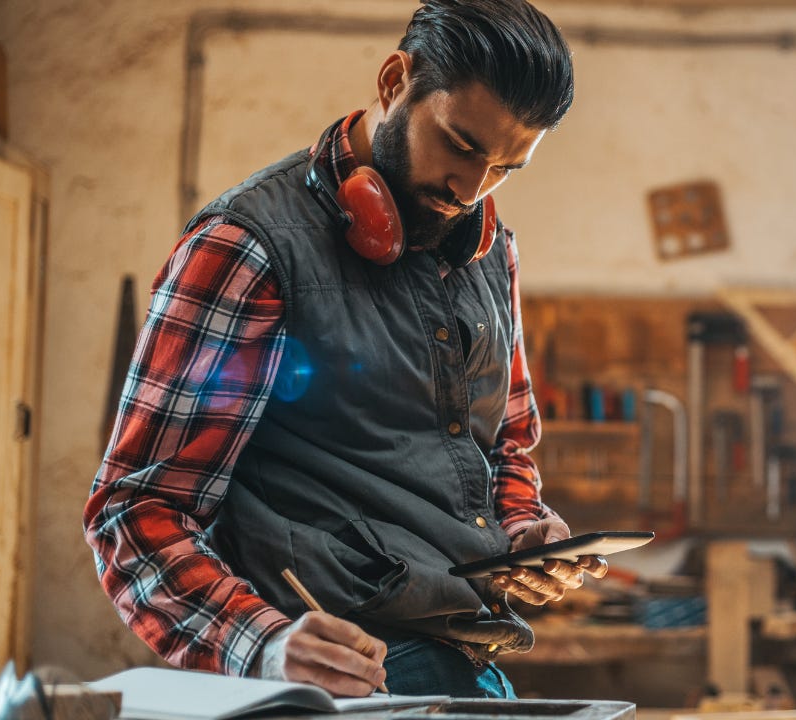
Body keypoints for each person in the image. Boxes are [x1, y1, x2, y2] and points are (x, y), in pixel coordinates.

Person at [83, 0, 605, 700]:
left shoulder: (489, 252)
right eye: (460, 145)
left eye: (508, 167)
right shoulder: (248, 250)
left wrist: (523, 532)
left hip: (466, 665)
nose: (472, 190)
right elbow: (136, 512)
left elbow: (505, 445)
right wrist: (263, 646)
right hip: (341, 686)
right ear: (395, 82)